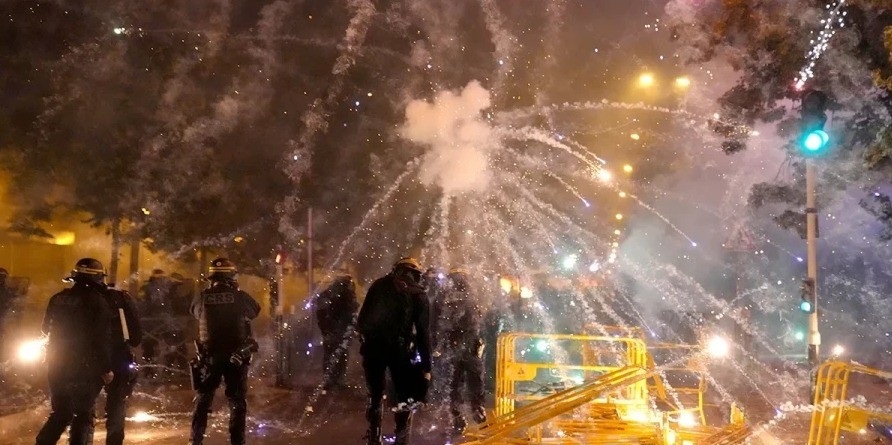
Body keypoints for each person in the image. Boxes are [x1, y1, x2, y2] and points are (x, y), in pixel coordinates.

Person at [35, 258, 114, 445]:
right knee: (82, 414)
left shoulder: (57, 298)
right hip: (84, 367)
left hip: (56, 364)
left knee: (61, 412)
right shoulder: (98, 302)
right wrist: (106, 368)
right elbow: (100, 339)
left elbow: (45, 329)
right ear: (97, 279)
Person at [357, 257, 432, 445]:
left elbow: (362, 320)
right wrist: (426, 367)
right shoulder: (419, 294)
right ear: (416, 274)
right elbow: (424, 334)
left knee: (375, 393)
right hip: (401, 352)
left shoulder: (378, 286)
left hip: (374, 350)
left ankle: (374, 436)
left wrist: (367, 341)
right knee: (404, 396)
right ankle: (401, 438)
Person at [190, 258, 260, 445]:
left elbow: (195, 313)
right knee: (236, 402)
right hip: (236, 356)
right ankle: (237, 442)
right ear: (231, 277)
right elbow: (255, 311)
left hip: (210, 357)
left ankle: (195, 441)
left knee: (203, 400)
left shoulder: (202, 297)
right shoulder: (240, 297)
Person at [439, 268, 486, 433]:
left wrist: (442, 344)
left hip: (455, 346)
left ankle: (458, 415)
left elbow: (442, 322)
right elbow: (477, 320)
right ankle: (476, 408)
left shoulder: (447, 295)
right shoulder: (471, 295)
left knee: (454, 383)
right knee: (474, 380)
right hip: (469, 346)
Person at [101, 283, 142, 445]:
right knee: (117, 401)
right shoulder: (121, 298)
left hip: (81, 356)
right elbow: (136, 337)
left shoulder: (67, 298)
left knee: (81, 405)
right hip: (117, 354)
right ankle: (114, 441)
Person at [315, 273, 359, 390]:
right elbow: (351, 312)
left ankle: (331, 379)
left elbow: (321, 312)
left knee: (332, 354)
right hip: (338, 329)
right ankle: (336, 380)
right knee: (339, 354)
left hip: (334, 329)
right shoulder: (345, 296)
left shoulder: (330, 294)